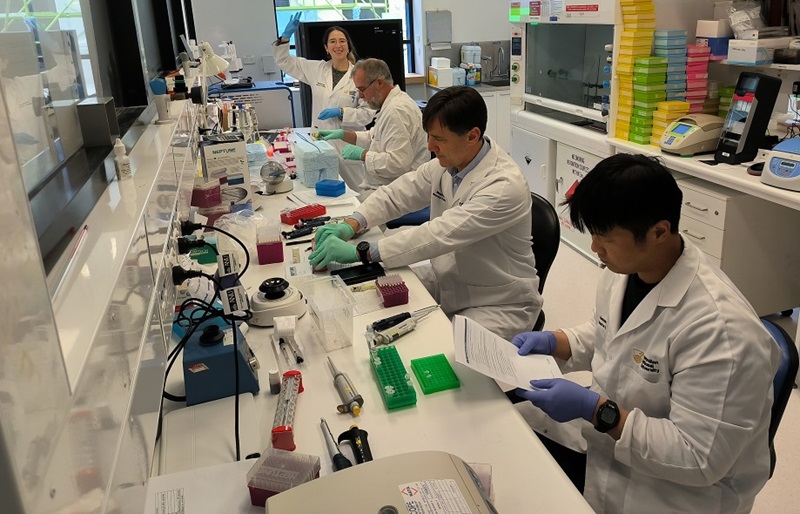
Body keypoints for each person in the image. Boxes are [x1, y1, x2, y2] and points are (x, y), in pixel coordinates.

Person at [510, 153, 779, 513]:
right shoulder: (624, 270)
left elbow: (698, 458)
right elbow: (608, 334)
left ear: (659, 232)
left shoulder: (722, 331)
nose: (594, 248)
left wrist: (597, 411)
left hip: (675, 493)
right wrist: (555, 341)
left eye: (605, 237)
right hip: (610, 448)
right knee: (506, 433)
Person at [309, 86, 541, 340]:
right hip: (448, 279)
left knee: (445, 357)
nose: (430, 146)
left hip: (496, 301)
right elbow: (398, 193)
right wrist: (353, 223)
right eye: (429, 136)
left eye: (439, 139)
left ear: (472, 136)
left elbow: (437, 235)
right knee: (371, 302)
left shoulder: (503, 186)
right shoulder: (449, 164)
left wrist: (362, 252)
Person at [273, 14, 374, 189]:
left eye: (342, 41)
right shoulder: (317, 69)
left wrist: (342, 112)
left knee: (357, 193)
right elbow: (284, 61)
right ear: (326, 47)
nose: (338, 45)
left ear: (348, 46)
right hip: (321, 144)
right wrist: (285, 37)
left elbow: (367, 114)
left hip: (348, 145)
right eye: (333, 41)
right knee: (323, 192)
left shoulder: (361, 74)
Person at [316, 58, 429, 193]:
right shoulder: (392, 104)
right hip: (389, 187)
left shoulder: (396, 111)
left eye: (362, 89)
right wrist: (342, 134)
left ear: (379, 83)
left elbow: (397, 163)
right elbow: (374, 136)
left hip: (399, 192)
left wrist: (363, 155)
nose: (360, 96)